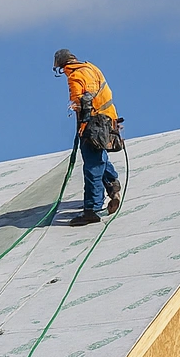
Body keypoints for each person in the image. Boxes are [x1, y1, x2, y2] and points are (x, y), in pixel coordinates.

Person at [54, 49, 122, 226]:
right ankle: (113, 185)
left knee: (92, 166)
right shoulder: (91, 67)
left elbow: (81, 101)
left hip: (94, 123)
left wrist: (82, 123)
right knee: (99, 158)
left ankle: (92, 209)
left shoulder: (75, 75)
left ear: (63, 66)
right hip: (108, 119)